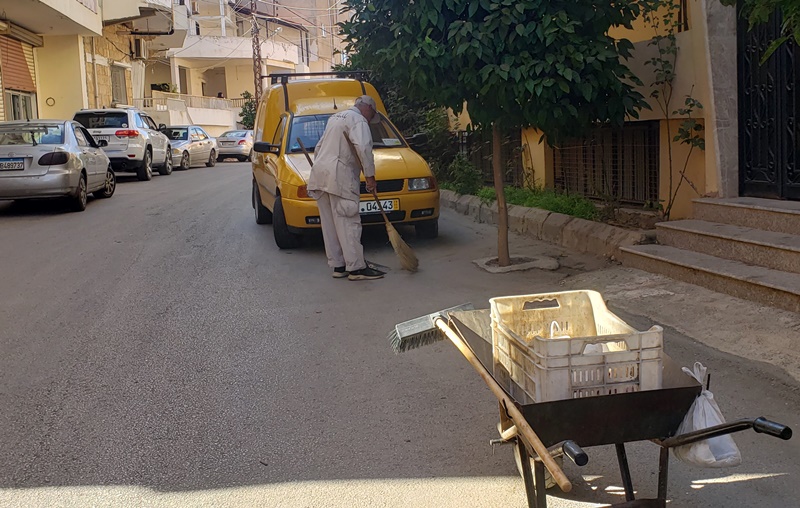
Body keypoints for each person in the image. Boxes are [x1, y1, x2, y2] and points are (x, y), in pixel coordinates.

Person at [307, 95, 385, 281]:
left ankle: (338, 265)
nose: (369, 120)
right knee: (348, 221)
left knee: (330, 224)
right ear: (368, 109)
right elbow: (364, 148)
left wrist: (323, 166)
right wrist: (370, 177)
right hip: (340, 176)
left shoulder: (336, 118)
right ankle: (356, 268)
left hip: (321, 173)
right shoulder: (358, 120)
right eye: (371, 116)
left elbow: (319, 147)